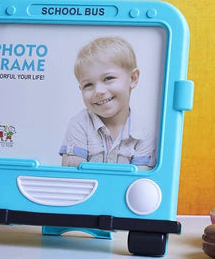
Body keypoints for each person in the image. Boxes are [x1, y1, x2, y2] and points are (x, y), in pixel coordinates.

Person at [59, 36, 156, 170]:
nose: (98, 91)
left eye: (108, 78)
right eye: (88, 85)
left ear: (133, 78)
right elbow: (73, 178)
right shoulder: (79, 124)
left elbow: (139, 182)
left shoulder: (145, 132)